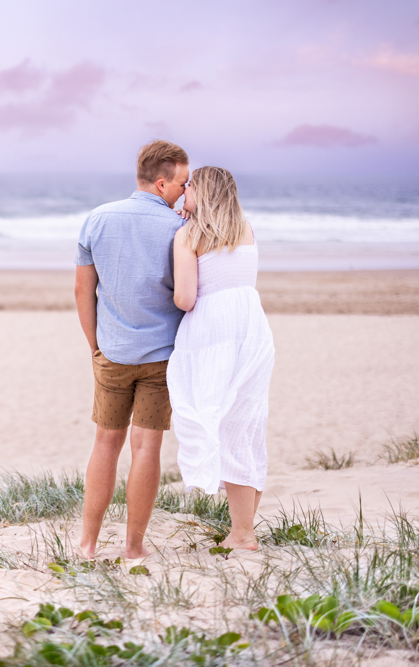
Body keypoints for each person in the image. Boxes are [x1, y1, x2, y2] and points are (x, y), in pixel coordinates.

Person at [74, 140, 190, 560]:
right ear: (162, 183)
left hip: (112, 351)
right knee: (147, 447)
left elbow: (82, 290)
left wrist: (95, 346)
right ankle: (133, 547)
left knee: (105, 443)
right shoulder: (180, 229)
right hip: (160, 355)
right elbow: (188, 293)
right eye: (181, 183)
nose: (184, 191)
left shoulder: (97, 218)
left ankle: (87, 544)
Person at [167, 166, 275, 551]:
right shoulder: (245, 227)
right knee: (244, 425)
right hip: (252, 328)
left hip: (214, 331)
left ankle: (243, 534)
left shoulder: (189, 235)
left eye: (189, 187)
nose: (183, 193)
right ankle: (242, 529)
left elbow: (185, 298)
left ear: (203, 190)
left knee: (213, 418)